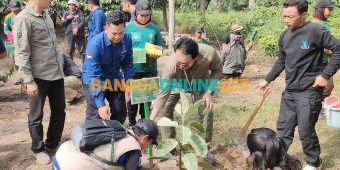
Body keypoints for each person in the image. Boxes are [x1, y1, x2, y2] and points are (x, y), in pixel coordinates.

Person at [256, 0, 340, 169]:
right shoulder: (285, 35)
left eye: (291, 16)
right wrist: (268, 79)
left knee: (306, 130)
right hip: (290, 91)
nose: (286, 20)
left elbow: (338, 49)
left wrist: (325, 75)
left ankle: (313, 163)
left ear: (303, 15)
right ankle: (279, 160)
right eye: (284, 16)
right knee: (283, 129)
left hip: (310, 91)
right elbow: (281, 60)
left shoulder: (316, 31)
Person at [13, 0, 66, 165]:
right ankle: (38, 148)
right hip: (38, 77)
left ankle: (52, 144)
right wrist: (29, 80)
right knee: (36, 116)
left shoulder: (47, 15)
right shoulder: (23, 18)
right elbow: (21, 51)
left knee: (60, 111)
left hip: (56, 73)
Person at [150, 37, 222, 145]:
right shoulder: (171, 65)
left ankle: (204, 148)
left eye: (185, 63)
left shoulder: (209, 53)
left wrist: (209, 91)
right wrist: (151, 119)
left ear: (196, 57)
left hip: (200, 82)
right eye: (179, 62)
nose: (181, 65)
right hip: (177, 82)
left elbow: (218, 70)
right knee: (165, 109)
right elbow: (163, 93)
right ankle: (169, 146)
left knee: (207, 109)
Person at [82, 10, 135, 123]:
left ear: (124, 28)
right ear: (105, 28)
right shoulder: (95, 45)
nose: (117, 37)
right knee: (95, 116)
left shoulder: (127, 40)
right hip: (94, 79)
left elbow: (128, 62)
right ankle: (94, 137)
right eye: (114, 33)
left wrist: (129, 82)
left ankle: (116, 137)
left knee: (120, 112)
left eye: (120, 33)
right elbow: (94, 75)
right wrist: (100, 104)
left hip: (114, 77)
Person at [52, 119, 158, 170]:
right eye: (151, 143)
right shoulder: (133, 148)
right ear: (145, 138)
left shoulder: (120, 130)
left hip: (60, 157)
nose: (149, 146)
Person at [125, 0, 164, 126]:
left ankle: (144, 122)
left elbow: (160, 48)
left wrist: (155, 53)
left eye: (147, 15)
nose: (144, 18)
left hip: (150, 70)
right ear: (136, 13)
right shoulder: (128, 28)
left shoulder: (154, 29)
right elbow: (123, 48)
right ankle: (131, 123)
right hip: (133, 70)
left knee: (146, 99)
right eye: (142, 15)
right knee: (132, 98)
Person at [311, 0, 337, 98]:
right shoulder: (314, 25)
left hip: (325, 61)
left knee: (328, 86)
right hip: (317, 63)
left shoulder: (324, 23)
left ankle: (318, 106)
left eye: (332, 10)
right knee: (325, 86)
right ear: (321, 9)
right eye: (329, 9)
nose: (331, 12)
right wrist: (328, 50)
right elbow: (313, 45)